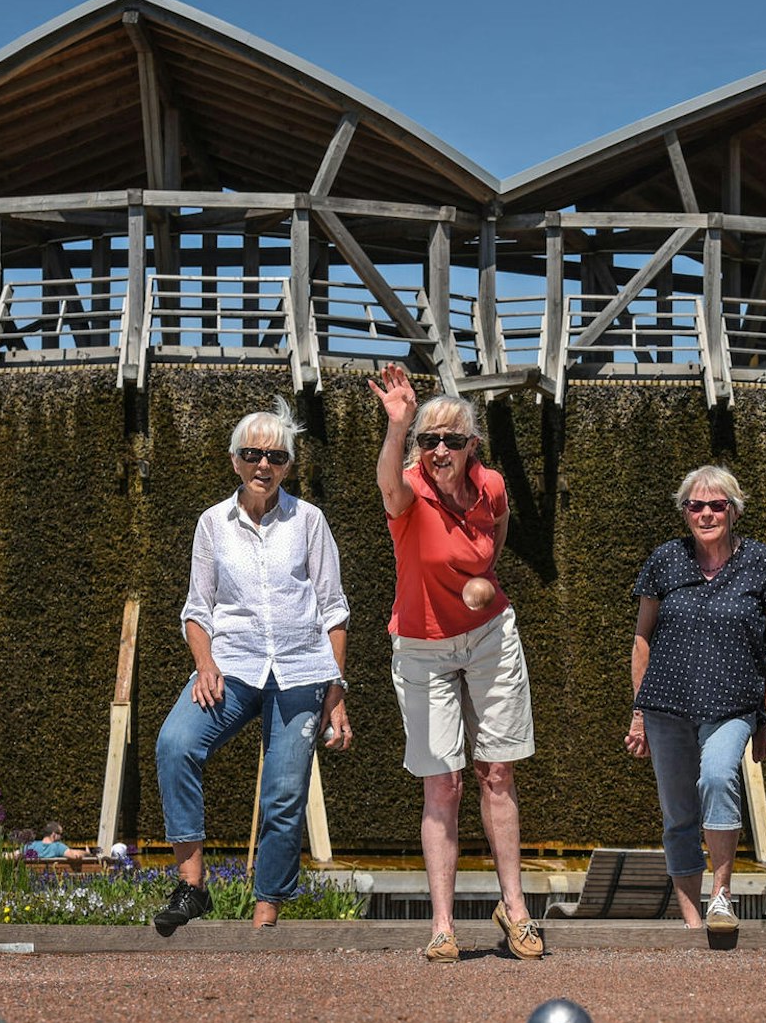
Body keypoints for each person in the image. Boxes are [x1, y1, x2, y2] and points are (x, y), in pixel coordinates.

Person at [152, 398, 352, 934]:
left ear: (288, 465)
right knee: (175, 744)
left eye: (276, 456)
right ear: (235, 461)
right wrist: (204, 663)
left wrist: (336, 693)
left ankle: (265, 917)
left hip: (301, 672)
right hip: (233, 667)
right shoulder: (212, 524)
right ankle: (192, 887)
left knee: (284, 795)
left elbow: (334, 611)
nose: (264, 464)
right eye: (253, 454)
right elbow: (197, 610)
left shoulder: (309, 521)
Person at [371, 364, 542, 963]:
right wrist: (397, 426)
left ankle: (514, 907)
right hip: (422, 646)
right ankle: (442, 924)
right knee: (443, 782)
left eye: (451, 439)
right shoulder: (408, 489)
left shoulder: (490, 485)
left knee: (497, 772)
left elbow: (497, 527)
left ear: (473, 445)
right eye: (429, 439)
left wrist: (483, 575)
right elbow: (387, 484)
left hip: (490, 636)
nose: (439, 450)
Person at [623, 466, 766, 932]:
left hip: (733, 703)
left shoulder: (762, 561)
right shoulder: (665, 559)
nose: (706, 514)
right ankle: (693, 922)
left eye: (717, 505)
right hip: (666, 705)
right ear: (684, 512)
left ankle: (721, 895)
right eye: (695, 505)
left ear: (735, 510)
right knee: (678, 812)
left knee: (718, 777)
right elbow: (642, 639)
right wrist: (639, 713)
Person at [24, 823, 89, 863]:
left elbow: (18, 854)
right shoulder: (58, 846)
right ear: (54, 834)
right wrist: (86, 853)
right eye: (60, 834)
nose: (61, 836)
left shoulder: (31, 845)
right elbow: (75, 856)